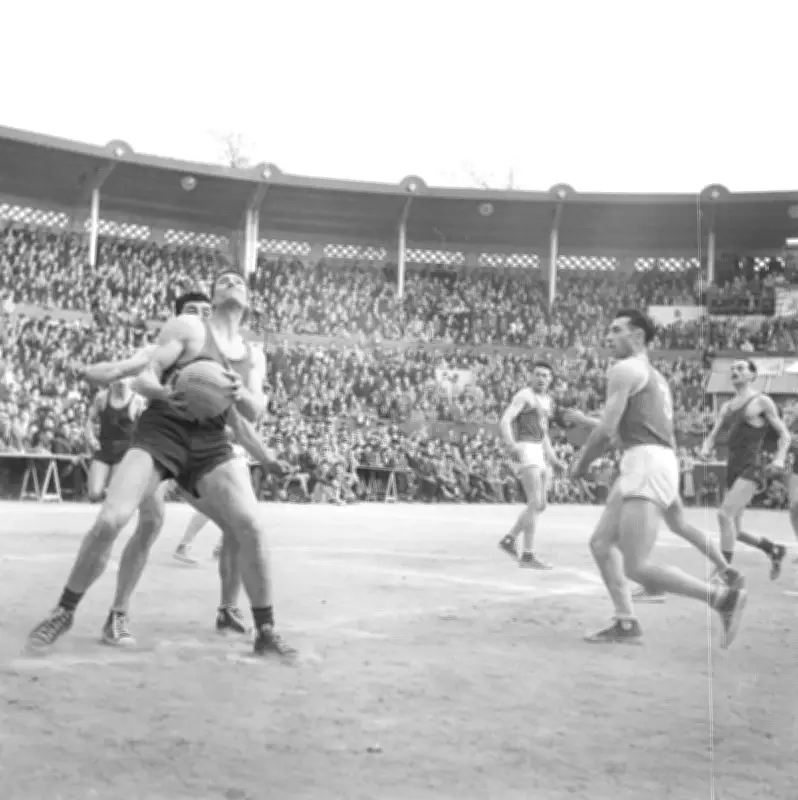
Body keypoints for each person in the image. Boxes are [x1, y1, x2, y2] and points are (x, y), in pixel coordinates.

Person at [27, 270, 294, 658]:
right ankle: (64, 611)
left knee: (249, 525)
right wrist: (166, 392)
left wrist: (264, 450)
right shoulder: (189, 327)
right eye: (224, 280)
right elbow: (145, 378)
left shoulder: (253, 356)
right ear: (213, 297)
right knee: (111, 520)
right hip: (162, 431)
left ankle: (264, 629)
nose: (233, 282)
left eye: (239, 281)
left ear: (249, 300)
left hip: (211, 444)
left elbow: (253, 412)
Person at [570, 309, 747, 647]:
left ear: (637, 335)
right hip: (653, 461)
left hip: (646, 464)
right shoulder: (655, 377)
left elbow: (607, 431)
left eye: (616, 330)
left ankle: (722, 598)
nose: (608, 337)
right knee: (601, 543)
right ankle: (625, 622)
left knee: (637, 565)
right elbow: (628, 432)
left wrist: (580, 465)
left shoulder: (624, 369)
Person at [565, 407, 743, 604]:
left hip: (646, 469)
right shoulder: (653, 411)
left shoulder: (636, 415)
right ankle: (726, 569)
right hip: (664, 469)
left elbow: (610, 427)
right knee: (681, 526)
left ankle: (653, 586)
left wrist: (584, 420)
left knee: (622, 540)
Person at [700, 359, 789, 579]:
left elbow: (785, 435)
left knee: (723, 515)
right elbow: (712, 435)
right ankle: (773, 549)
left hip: (752, 468)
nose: (735, 371)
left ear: (752, 375)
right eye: (732, 369)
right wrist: (706, 446)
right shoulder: (727, 407)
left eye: (740, 368)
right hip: (733, 468)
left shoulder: (761, 401)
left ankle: (725, 572)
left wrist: (779, 458)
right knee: (735, 530)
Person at [497, 361, 566, 569]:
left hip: (538, 449)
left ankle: (510, 538)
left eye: (545, 375)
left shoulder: (547, 400)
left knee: (540, 504)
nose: (541, 378)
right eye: (537, 374)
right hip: (526, 447)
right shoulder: (525, 396)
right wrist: (511, 444)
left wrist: (553, 458)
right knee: (534, 502)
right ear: (530, 376)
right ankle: (527, 555)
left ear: (551, 379)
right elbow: (505, 420)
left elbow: (543, 433)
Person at [84, 378, 146, 501]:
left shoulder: (137, 400)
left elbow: (146, 426)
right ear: (112, 383)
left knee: (116, 493)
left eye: (123, 384)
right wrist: (91, 438)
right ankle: (109, 492)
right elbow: (90, 420)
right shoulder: (102, 398)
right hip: (104, 449)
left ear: (129, 382)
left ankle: (122, 491)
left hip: (125, 451)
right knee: (94, 494)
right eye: (117, 383)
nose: (120, 386)